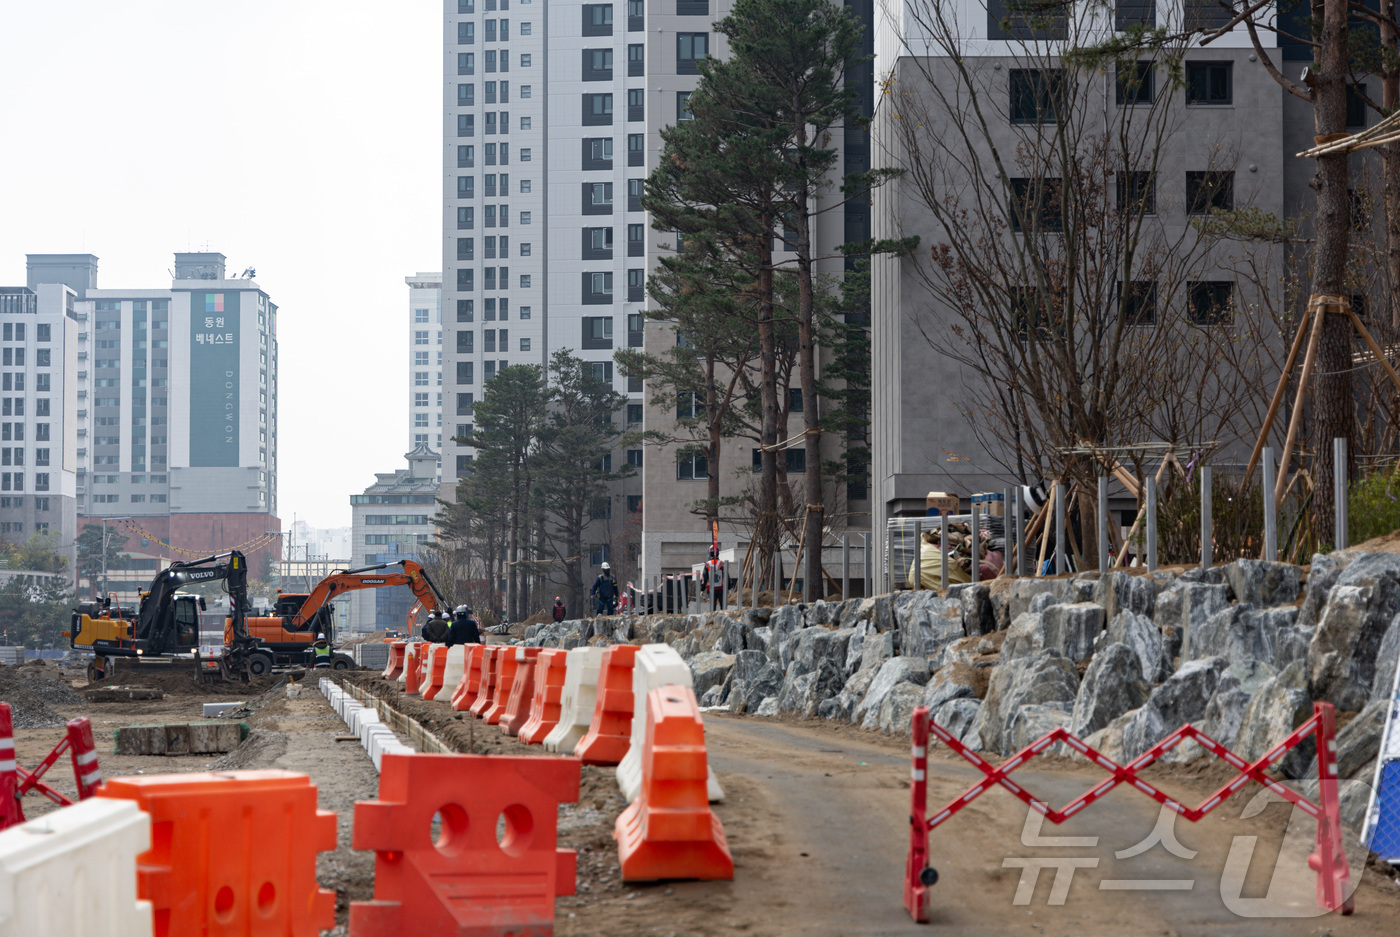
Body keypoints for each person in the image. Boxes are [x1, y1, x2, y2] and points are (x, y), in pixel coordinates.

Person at [701, 546, 727, 611]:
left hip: (711, 589)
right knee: (723, 608)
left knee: (712, 609)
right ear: (718, 553)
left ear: (710, 554)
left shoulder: (707, 564)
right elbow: (726, 575)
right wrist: (729, 587)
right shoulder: (722, 563)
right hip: (721, 588)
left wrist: (702, 588)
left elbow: (704, 577)